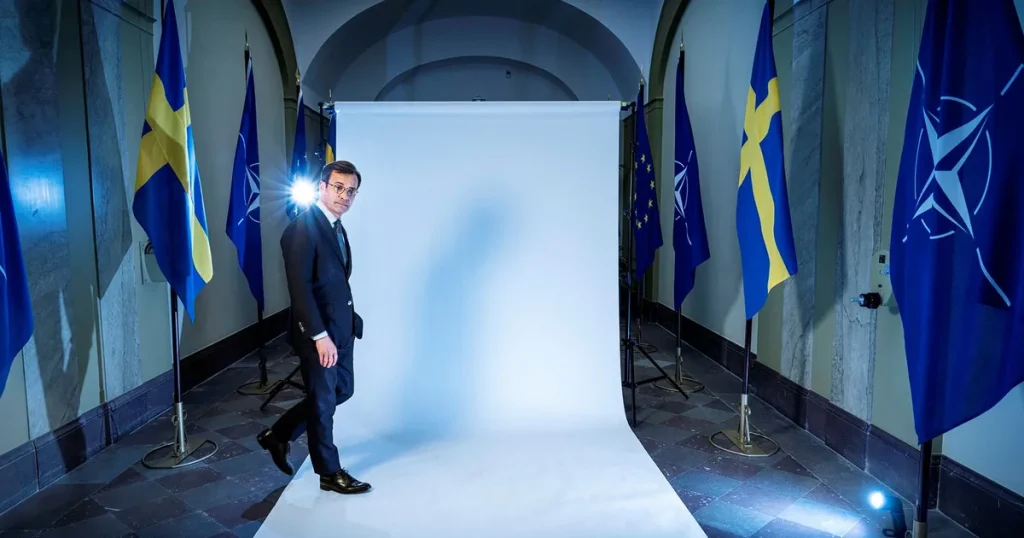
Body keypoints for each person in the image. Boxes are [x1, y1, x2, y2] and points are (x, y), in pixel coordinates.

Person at [256, 160, 371, 495]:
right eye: (338, 187)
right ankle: (329, 472)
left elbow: (332, 279)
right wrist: (319, 336)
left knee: (342, 390)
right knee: (322, 402)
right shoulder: (302, 229)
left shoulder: (335, 226)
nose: (345, 196)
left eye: (351, 191)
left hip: (341, 329)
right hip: (318, 334)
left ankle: (278, 435)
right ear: (321, 187)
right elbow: (301, 289)